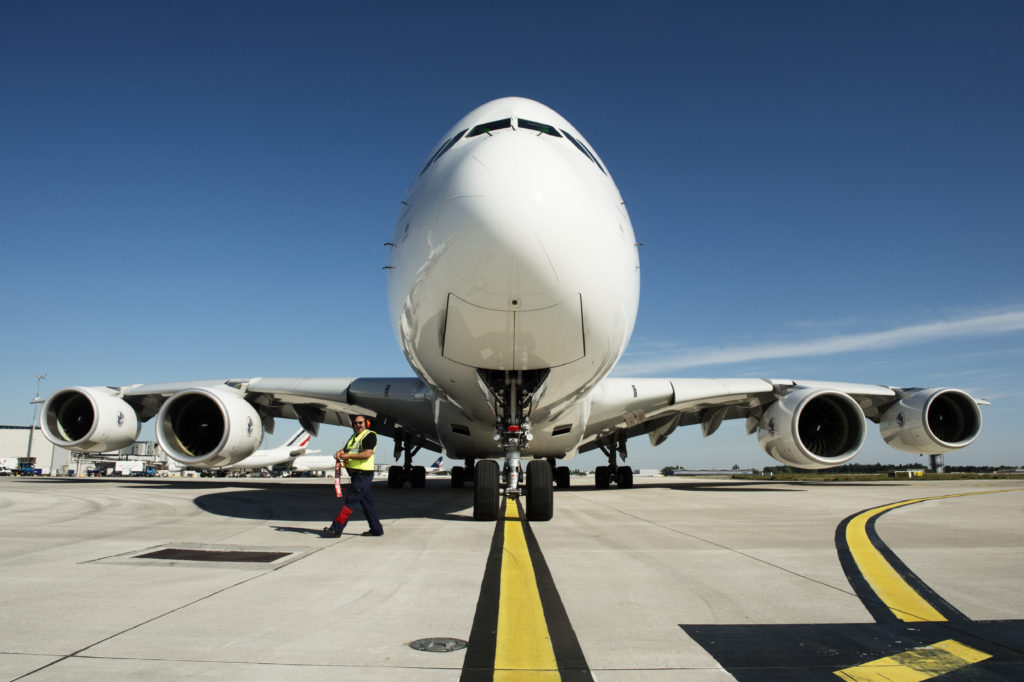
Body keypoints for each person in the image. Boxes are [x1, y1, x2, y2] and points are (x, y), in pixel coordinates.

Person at [321, 416, 384, 538]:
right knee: (367, 503)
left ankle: (336, 528)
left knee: (351, 501)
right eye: (355, 423)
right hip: (356, 474)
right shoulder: (354, 437)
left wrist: (348, 456)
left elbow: (367, 454)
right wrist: (339, 453)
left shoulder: (369, 435)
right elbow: (345, 450)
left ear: (366, 423)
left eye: (360, 423)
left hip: (363, 474)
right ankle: (376, 529)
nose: (358, 425)